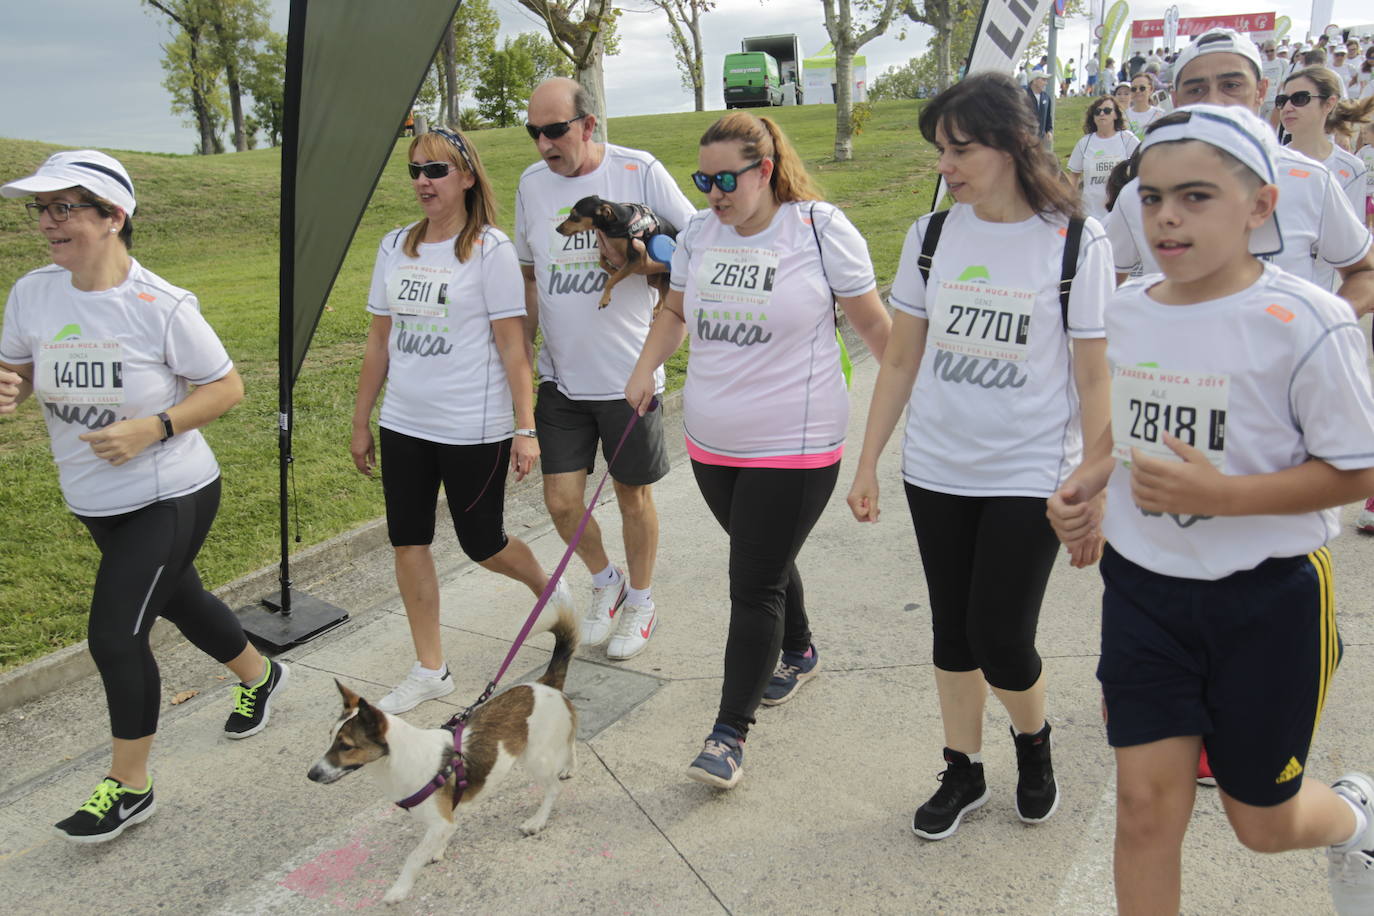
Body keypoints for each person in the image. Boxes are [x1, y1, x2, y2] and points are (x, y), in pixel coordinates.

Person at [1047, 103, 1374, 916]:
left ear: (1261, 205)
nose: (1167, 217)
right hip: (1144, 593)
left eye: (1196, 196)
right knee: (1144, 808)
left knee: (1262, 823)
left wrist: (1224, 498)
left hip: (1268, 599)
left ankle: (1358, 822)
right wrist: (1087, 481)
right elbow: (1132, 421)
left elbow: (1357, 468)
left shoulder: (1307, 321)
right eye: (1153, 197)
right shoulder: (1129, 308)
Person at [847, 72, 1113, 840]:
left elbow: (1094, 374)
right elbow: (901, 358)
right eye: (941, 149)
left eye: (961, 149)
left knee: (1001, 635)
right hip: (936, 467)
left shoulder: (1076, 241)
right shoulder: (932, 236)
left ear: (1013, 144)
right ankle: (962, 768)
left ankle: (1033, 743)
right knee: (953, 632)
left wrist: (1093, 480)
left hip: (1030, 470)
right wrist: (867, 462)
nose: (946, 166)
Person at [0, 151, 285, 842]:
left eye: (64, 208)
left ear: (113, 217)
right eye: (41, 209)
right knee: (181, 600)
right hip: (92, 498)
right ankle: (259, 673)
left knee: (116, 636)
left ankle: (130, 786)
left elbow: (227, 388)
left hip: (170, 492)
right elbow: (20, 368)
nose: (47, 222)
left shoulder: (161, 305)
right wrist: (11, 385)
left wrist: (151, 427)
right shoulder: (33, 293)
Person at [624, 112, 890, 789]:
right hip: (712, 442)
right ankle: (799, 649)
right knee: (763, 557)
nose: (713, 194)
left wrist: (915, 418)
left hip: (795, 442)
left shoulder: (819, 230)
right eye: (702, 180)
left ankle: (727, 735)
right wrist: (645, 368)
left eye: (726, 180)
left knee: (752, 582)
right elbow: (675, 311)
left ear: (765, 170)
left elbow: (878, 331)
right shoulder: (699, 235)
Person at [351, 127, 575, 713]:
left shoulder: (489, 249)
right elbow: (379, 340)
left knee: (483, 543)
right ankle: (431, 668)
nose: (423, 182)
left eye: (436, 170)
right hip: (405, 422)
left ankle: (547, 585)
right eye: (416, 171)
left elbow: (513, 346)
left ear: (468, 177)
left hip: (472, 426)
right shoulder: (394, 246)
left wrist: (525, 428)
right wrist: (361, 420)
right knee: (408, 541)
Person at [515, 78, 694, 660]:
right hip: (560, 378)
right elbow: (530, 276)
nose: (544, 144)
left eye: (555, 130)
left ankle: (641, 601)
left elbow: (696, 247)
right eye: (534, 132)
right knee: (562, 502)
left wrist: (643, 264)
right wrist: (522, 357)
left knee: (631, 498)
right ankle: (606, 583)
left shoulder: (638, 170)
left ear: (588, 125)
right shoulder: (531, 185)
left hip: (628, 375)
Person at [1104, 29, 1374, 319]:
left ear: (1261, 90)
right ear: (1176, 99)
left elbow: (1365, 273)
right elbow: (1102, 285)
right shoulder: (1139, 194)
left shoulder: (1311, 180)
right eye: (1196, 89)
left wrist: (1323, 326)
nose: (1214, 101)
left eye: (1231, 85)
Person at [1277, 67, 1374, 283]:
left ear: (1329, 104)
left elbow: (1351, 245)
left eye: (1300, 99)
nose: (1288, 107)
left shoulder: (1351, 169)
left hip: (1322, 287)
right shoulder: (1268, 162)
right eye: (1282, 101)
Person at [1068, 95, 1141, 221]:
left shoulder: (1126, 138)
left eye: (1107, 110)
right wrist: (1071, 203)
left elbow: (1143, 163)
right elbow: (1074, 176)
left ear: (1116, 115)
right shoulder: (1084, 143)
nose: (1102, 114)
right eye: (1097, 112)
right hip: (1090, 214)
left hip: (1120, 212)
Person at [1126, 72, 1167, 137]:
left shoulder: (1161, 115)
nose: (1137, 91)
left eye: (1142, 88)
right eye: (1134, 89)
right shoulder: (1123, 116)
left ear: (1151, 90)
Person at [1260, 40, 1286, 125]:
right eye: (1267, 51)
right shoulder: (1262, 64)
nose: (1269, 53)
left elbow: (1285, 78)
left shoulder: (1282, 62)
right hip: (1263, 98)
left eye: (1272, 50)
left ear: (1276, 49)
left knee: (1271, 125)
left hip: (1275, 98)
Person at [1025, 70, 1054, 147]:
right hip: (1025, 140)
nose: (1046, 83)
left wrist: (1049, 131)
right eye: (1043, 80)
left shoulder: (1046, 97)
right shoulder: (1023, 96)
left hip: (1040, 140)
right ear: (1034, 81)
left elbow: (1048, 117)